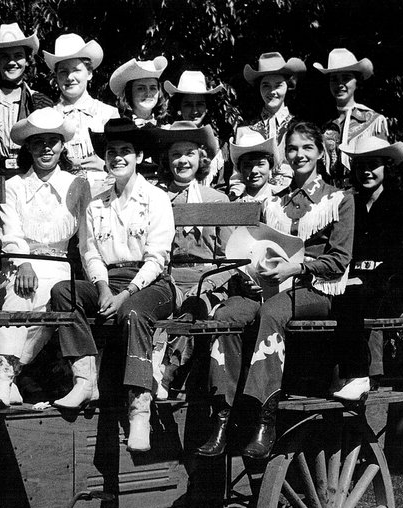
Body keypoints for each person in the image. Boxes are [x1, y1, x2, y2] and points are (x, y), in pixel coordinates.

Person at [198, 121, 354, 459]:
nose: (299, 155)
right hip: (272, 285)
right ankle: (222, 417)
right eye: (293, 148)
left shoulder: (338, 199)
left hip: (316, 290)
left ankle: (264, 420)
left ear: (320, 153)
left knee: (273, 311)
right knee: (227, 315)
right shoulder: (275, 202)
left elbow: (339, 261)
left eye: (307, 148)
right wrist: (255, 272)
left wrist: (297, 268)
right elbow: (259, 247)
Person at [49, 118, 175, 452]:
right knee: (63, 291)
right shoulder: (96, 204)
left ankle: (139, 410)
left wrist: (126, 294)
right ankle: (85, 379)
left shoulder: (156, 198)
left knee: (132, 313)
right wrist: (103, 287)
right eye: (112, 152)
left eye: (126, 151)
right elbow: (90, 251)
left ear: (138, 156)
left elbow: (158, 257)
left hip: (151, 285)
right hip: (110, 280)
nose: (118, 157)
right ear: (105, 157)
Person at [0, 108, 88, 407]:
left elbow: (88, 238)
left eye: (52, 141)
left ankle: (8, 376)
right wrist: (24, 263)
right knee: (18, 297)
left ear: (62, 146)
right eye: (38, 142)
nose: (46, 148)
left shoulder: (77, 185)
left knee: (51, 297)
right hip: (19, 262)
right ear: (28, 147)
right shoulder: (13, 186)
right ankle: (3, 380)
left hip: (60, 268)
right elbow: (11, 233)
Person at [154, 121, 229, 394]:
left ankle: (165, 376)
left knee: (195, 307)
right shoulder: (156, 197)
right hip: (167, 277)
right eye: (176, 154)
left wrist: (209, 283)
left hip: (207, 279)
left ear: (201, 158)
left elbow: (229, 258)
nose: (182, 160)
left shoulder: (218, 200)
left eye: (190, 153)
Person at [332, 136, 403, 399]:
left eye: (373, 164)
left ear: (386, 166)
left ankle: (360, 374)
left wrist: (370, 280)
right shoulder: (348, 203)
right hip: (354, 280)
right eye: (360, 164)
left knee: (352, 297)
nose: (366, 171)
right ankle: (339, 373)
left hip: (392, 282)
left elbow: (401, 257)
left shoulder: (400, 203)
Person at [0, 23, 52, 178]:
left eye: (18, 55)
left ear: (27, 60)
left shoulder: (39, 102)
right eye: (5, 56)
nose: (12, 62)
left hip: (30, 176)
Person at [313, 48, 389, 187]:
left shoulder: (373, 120)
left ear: (357, 81)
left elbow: (380, 165)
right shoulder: (325, 125)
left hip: (360, 195)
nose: (340, 84)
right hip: (330, 196)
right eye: (334, 79)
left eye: (346, 78)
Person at [44, 33, 119, 175]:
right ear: (56, 76)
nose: (70, 77)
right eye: (63, 72)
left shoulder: (108, 113)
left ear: (89, 73)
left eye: (76, 70)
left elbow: (121, 155)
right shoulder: (49, 116)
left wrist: (104, 164)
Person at [242, 52, 306, 188]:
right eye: (266, 85)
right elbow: (238, 174)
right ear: (259, 88)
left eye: (278, 85)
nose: (272, 92)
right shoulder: (247, 128)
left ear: (288, 86)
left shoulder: (300, 127)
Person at [163, 70, 225, 187]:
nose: (195, 111)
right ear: (179, 107)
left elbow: (220, 185)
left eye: (200, 104)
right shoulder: (168, 135)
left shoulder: (217, 143)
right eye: (188, 105)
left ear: (207, 107)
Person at [108, 56, 168, 127]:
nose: (148, 93)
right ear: (130, 93)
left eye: (152, 88)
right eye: (141, 88)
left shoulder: (167, 129)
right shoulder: (118, 127)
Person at [228, 127, 280, 203]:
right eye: (248, 166)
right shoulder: (233, 203)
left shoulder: (281, 200)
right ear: (240, 169)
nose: (254, 171)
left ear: (270, 165)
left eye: (261, 164)